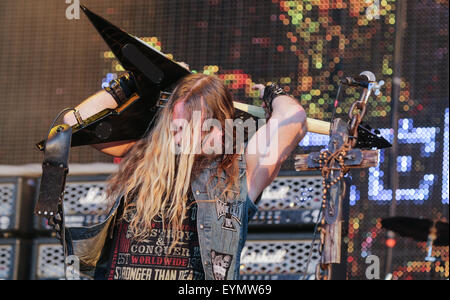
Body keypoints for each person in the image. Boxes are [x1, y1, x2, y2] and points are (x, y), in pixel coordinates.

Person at [62, 71, 307, 280]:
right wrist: (131, 82)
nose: (178, 137)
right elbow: (74, 121)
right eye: (175, 126)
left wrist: (274, 94)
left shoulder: (238, 176)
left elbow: (292, 118)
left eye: (190, 127)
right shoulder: (146, 160)